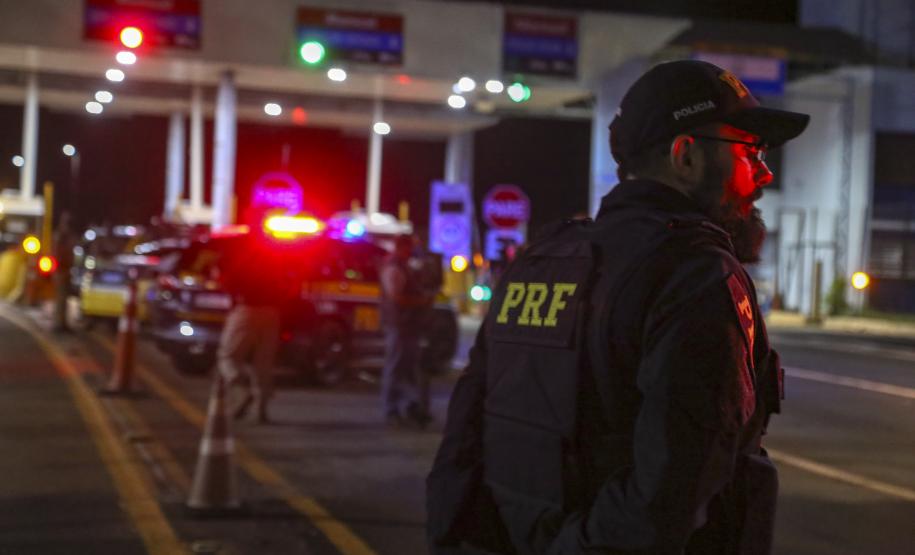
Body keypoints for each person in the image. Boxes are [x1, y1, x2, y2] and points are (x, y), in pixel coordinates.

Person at [427, 60, 809, 555]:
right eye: (750, 150)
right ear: (686, 156)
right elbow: (667, 494)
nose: (764, 172)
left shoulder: (541, 260)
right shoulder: (694, 276)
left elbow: (460, 451)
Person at [216, 231, 293, 424]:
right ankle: (261, 410)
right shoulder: (277, 254)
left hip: (247, 309)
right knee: (263, 364)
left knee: (228, 357)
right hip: (272, 312)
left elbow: (227, 280)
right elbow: (288, 283)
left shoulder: (242, 255)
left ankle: (241, 389)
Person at [380, 234, 434, 428]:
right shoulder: (393, 266)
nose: (412, 251)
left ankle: (410, 406)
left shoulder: (404, 266)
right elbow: (397, 297)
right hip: (399, 325)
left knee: (408, 368)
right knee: (395, 367)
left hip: (407, 326)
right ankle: (391, 409)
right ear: (403, 247)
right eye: (410, 247)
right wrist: (421, 301)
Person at [51, 211, 77, 332]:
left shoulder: (66, 235)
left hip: (66, 269)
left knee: (64, 298)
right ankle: (58, 324)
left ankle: (62, 322)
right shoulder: (61, 235)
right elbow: (57, 253)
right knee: (61, 298)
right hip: (62, 270)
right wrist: (60, 269)